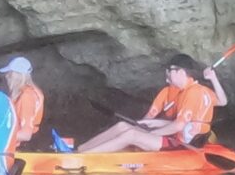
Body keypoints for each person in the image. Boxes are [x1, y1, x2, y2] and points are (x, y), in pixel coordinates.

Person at [79, 52, 223, 153]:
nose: (167, 76)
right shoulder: (185, 91)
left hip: (184, 145)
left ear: (181, 72)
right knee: (124, 126)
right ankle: (81, 150)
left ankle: (83, 157)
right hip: (178, 137)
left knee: (132, 135)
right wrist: (150, 125)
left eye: (170, 71)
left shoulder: (193, 91)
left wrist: (153, 133)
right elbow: (178, 123)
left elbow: (179, 125)